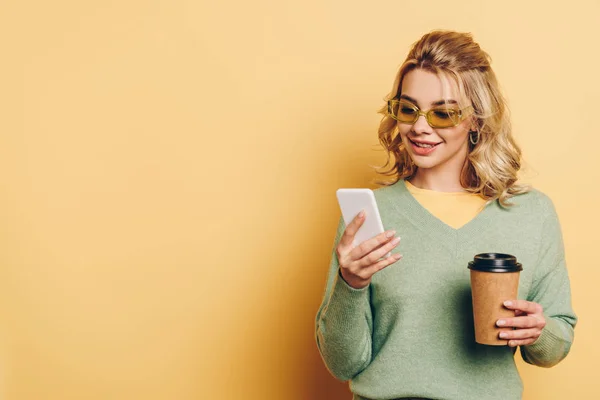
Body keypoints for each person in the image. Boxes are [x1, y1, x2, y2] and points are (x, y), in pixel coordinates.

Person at [314, 30, 577, 400]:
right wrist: (350, 284)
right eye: (408, 109)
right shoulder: (370, 215)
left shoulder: (531, 214)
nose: (420, 127)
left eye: (443, 113)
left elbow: (556, 345)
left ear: (476, 120)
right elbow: (343, 364)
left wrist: (538, 330)